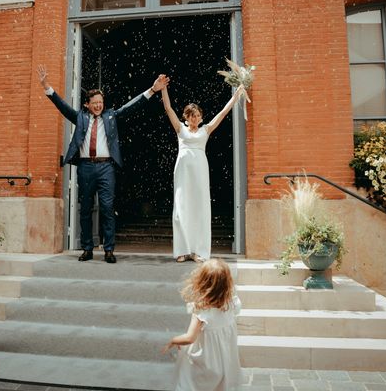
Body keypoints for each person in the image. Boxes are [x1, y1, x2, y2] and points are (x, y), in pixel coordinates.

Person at [37, 65, 169, 263]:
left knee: (107, 207)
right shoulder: (80, 117)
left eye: (101, 102)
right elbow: (62, 106)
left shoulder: (111, 116)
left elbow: (131, 106)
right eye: (95, 102)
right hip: (85, 167)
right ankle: (87, 249)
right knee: (86, 208)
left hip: (106, 167)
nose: (98, 105)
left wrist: (152, 90)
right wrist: (47, 86)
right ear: (88, 104)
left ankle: (109, 250)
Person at [161, 83, 245, 262]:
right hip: (183, 170)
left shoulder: (205, 129)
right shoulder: (180, 129)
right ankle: (182, 250)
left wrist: (236, 96)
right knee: (182, 208)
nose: (195, 118)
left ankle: (198, 250)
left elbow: (222, 113)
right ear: (187, 117)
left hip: (199, 169)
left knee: (200, 208)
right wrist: (163, 89)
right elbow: (168, 108)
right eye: (192, 116)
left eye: (198, 115)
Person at [162, 259, 242, 391]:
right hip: (224, 360)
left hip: (205, 361)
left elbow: (190, 338)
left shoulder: (202, 312)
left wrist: (173, 340)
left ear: (202, 283)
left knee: (190, 383)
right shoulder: (233, 303)